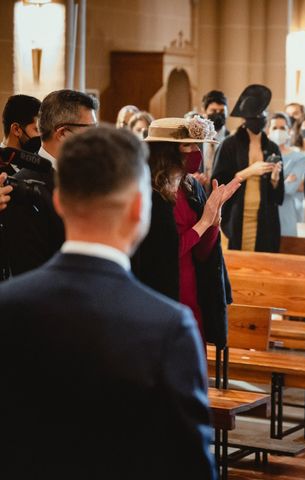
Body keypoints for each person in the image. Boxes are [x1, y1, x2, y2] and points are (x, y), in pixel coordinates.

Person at [0, 127, 216, 479]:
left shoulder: (7, 305)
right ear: (137, 207)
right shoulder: (167, 327)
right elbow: (188, 463)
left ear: (58, 202)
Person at [134, 117, 239, 346]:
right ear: (166, 150)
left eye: (197, 145)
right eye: (188, 145)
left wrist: (213, 221)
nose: (196, 151)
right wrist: (203, 223)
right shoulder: (149, 192)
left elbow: (202, 254)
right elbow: (163, 254)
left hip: (193, 287)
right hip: (164, 289)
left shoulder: (191, 186)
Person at [2, 89, 97, 277]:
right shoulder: (23, 187)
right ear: (63, 133)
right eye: (90, 131)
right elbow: (30, 271)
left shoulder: (90, 179)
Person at [212, 84, 284, 252]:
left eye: (262, 114)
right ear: (246, 119)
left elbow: (278, 196)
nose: (259, 118)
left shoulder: (272, 147)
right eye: (255, 115)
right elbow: (218, 182)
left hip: (265, 217)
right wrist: (248, 172)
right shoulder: (229, 145)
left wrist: (274, 180)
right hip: (238, 215)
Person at [267, 112, 305, 237]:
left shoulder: (299, 157)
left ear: (289, 131)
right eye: (275, 128)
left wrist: (273, 182)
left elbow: (290, 189)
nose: (278, 131)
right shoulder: (263, 155)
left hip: (287, 214)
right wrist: (285, 180)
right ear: (268, 130)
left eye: (282, 128)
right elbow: (263, 188)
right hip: (266, 212)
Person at [200, 90, 229, 189]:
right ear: (204, 112)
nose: (218, 114)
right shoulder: (196, 139)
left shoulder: (232, 141)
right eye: (213, 111)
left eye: (221, 111)